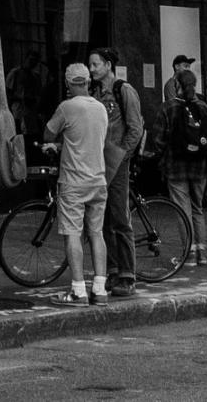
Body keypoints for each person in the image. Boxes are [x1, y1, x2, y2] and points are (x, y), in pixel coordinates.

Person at [41, 63, 109, 307]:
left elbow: (48, 133)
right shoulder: (101, 108)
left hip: (73, 181)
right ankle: (100, 289)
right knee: (97, 233)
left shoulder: (67, 107)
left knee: (73, 234)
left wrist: (57, 143)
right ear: (88, 82)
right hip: (98, 180)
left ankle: (78, 290)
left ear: (69, 84)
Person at [87, 48, 143, 296]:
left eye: (95, 64)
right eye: (90, 65)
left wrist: (123, 155)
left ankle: (127, 274)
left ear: (108, 65)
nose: (92, 69)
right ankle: (112, 269)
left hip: (116, 161)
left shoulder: (123, 90)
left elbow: (135, 127)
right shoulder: (95, 92)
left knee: (120, 218)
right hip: (99, 160)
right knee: (104, 219)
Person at [160, 68, 207, 266]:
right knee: (198, 208)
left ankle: (188, 254)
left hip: (176, 166)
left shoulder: (168, 108)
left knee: (182, 209)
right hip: (200, 166)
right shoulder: (204, 108)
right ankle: (202, 253)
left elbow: (159, 139)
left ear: (177, 85)